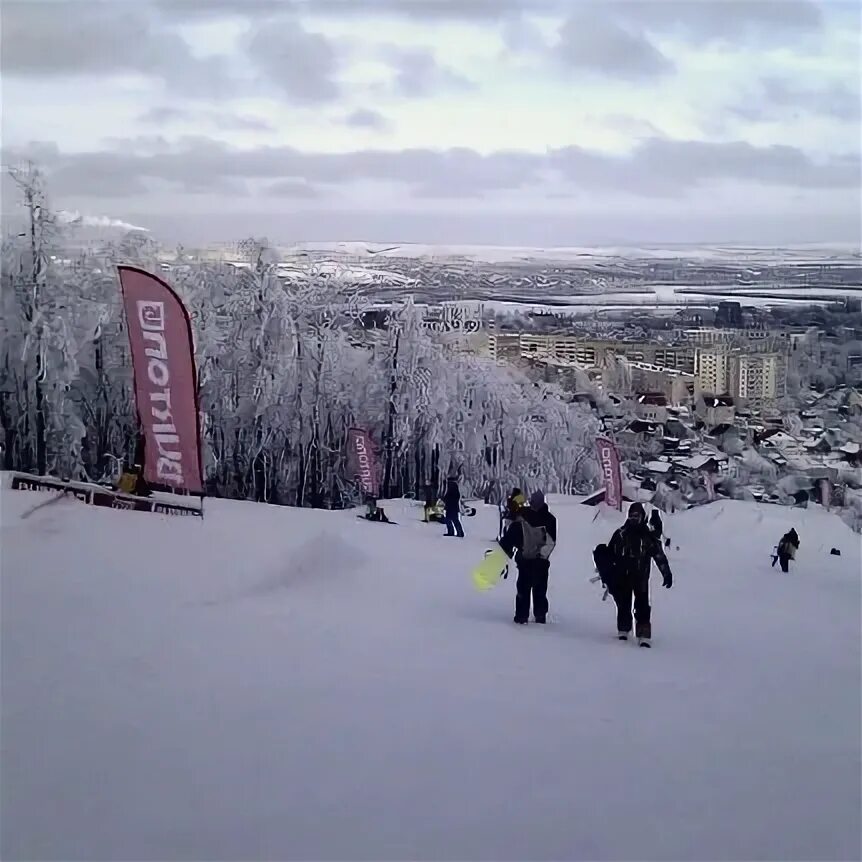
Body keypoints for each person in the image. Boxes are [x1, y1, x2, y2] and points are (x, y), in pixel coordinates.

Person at [607, 502, 673, 647]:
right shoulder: (620, 534)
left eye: (636, 516)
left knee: (642, 604)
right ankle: (623, 629)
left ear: (642, 517)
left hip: (641, 577)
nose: (633, 519)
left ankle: (643, 634)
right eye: (631, 516)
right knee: (623, 603)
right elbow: (610, 553)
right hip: (622, 575)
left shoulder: (647, 536)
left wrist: (666, 572)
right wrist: (606, 569)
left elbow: (658, 555)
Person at [499, 490, 557, 624]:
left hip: (534, 560)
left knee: (533, 590)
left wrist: (541, 556)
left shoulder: (541, 518)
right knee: (531, 589)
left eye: (533, 503)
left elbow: (551, 541)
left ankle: (530, 616)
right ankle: (530, 616)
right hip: (532, 559)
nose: (532, 505)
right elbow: (551, 542)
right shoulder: (534, 516)